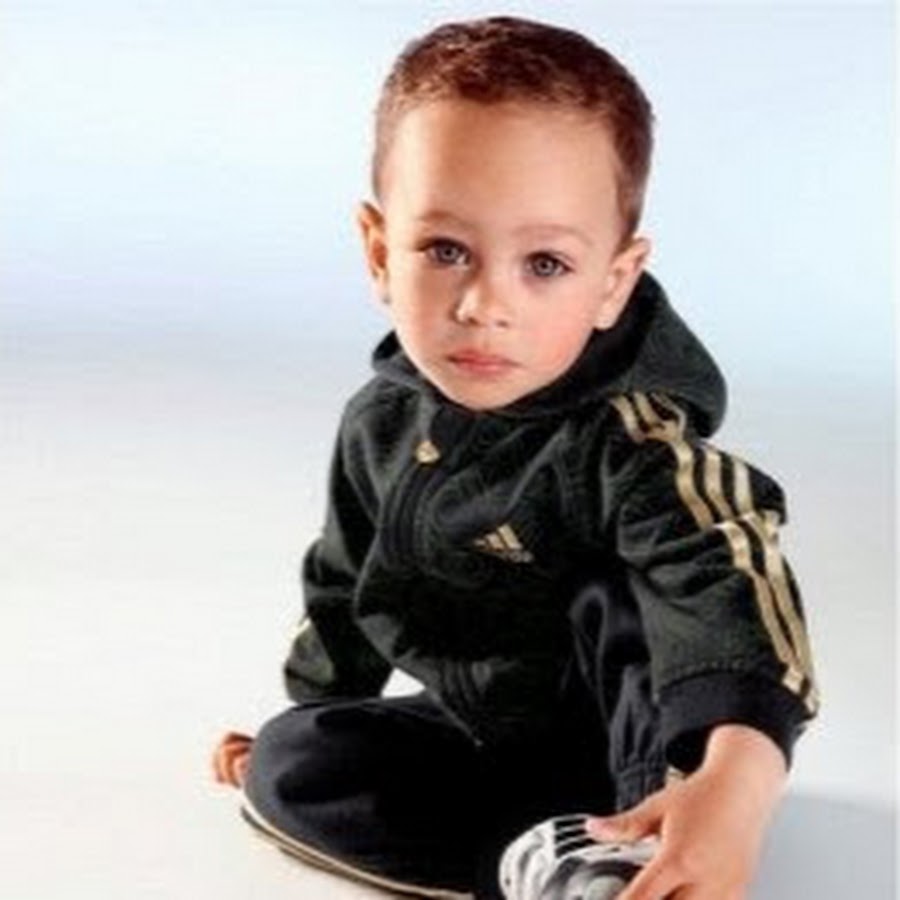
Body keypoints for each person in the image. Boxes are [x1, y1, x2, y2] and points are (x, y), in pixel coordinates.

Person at [212, 16, 818, 900]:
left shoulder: (631, 443)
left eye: (545, 264)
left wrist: (740, 772)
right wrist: (315, 711)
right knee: (289, 764)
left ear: (613, 282)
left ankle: (661, 832)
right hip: (488, 736)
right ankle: (532, 862)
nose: (484, 305)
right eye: (446, 251)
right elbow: (340, 579)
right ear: (380, 253)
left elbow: (732, 574)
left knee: (622, 591)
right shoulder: (379, 424)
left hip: (645, 742)